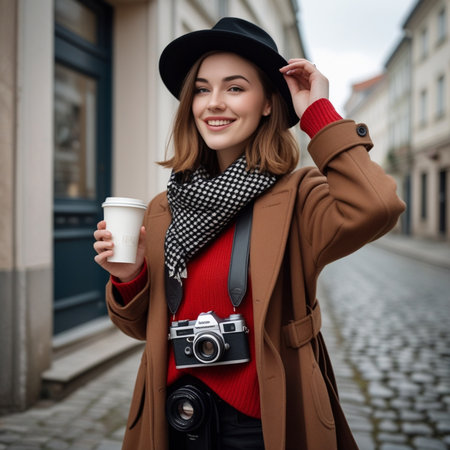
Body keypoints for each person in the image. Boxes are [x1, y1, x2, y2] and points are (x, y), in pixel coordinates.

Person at [93, 17, 405, 450]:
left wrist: (318, 115)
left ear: (266, 103)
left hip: (266, 423)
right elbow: (141, 329)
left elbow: (379, 205)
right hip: (174, 420)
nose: (213, 103)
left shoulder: (299, 197)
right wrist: (129, 277)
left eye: (235, 88)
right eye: (202, 89)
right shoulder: (165, 208)